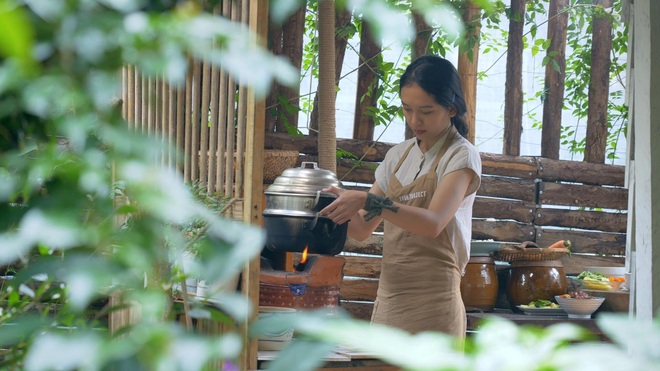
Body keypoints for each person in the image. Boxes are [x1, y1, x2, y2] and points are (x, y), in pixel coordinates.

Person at [320, 55, 482, 337]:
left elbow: (433, 224)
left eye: (427, 111)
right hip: (389, 303)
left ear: (452, 108)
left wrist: (369, 201)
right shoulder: (398, 156)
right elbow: (361, 228)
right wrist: (329, 201)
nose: (414, 120)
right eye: (407, 109)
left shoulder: (461, 155)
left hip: (436, 306)